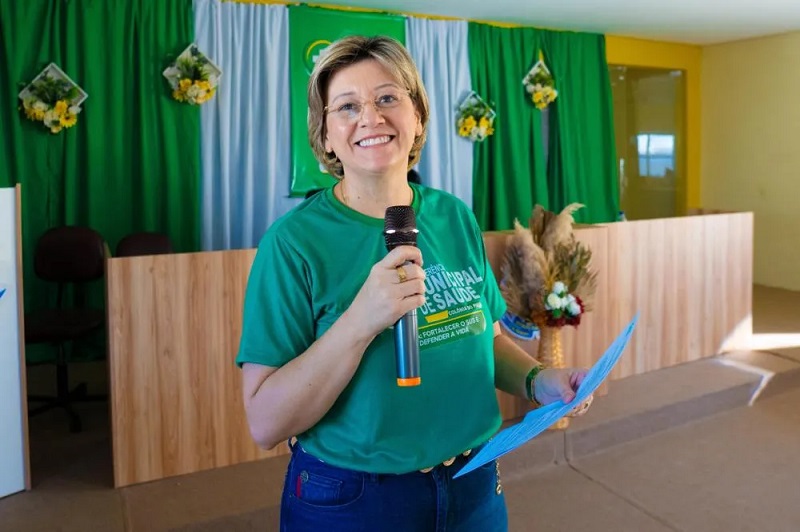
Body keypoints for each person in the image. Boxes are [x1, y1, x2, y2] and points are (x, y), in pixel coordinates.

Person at [236, 35, 593, 532]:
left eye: (387, 97)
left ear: (418, 115)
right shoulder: (293, 243)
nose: (370, 117)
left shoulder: (453, 216)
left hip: (474, 481)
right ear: (326, 135)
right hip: (355, 498)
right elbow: (265, 423)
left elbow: (485, 337)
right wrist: (359, 322)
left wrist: (539, 380)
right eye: (347, 106)